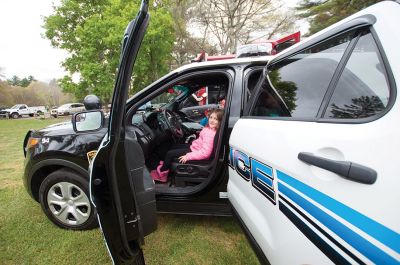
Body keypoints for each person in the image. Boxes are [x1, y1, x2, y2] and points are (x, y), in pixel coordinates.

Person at [151, 108, 224, 182]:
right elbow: (203, 140)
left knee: (170, 154)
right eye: (211, 117)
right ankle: (166, 164)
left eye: (215, 119)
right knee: (173, 147)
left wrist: (188, 156)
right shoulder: (210, 129)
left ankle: (162, 175)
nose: (212, 120)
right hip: (195, 147)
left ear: (220, 121)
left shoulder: (210, 134)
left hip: (195, 151)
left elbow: (205, 153)